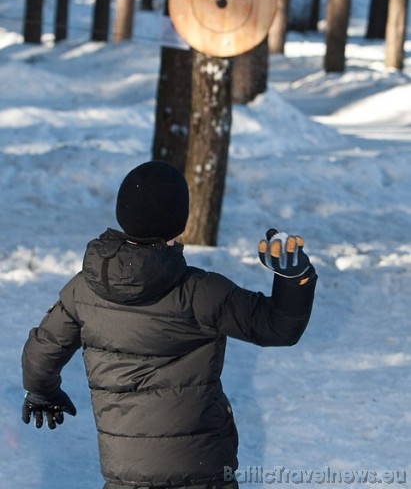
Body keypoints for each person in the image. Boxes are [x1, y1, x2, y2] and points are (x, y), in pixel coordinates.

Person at [21, 160, 317, 489]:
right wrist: (295, 279)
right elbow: (277, 326)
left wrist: (42, 392)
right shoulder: (201, 292)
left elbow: (42, 351)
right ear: (180, 220)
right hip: (201, 472)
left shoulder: (84, 288)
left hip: (125, 475)